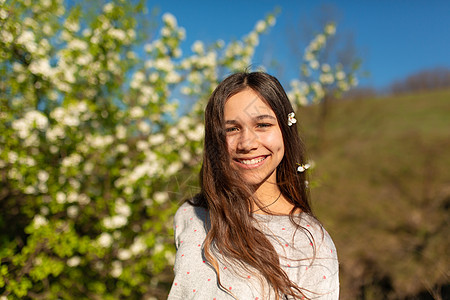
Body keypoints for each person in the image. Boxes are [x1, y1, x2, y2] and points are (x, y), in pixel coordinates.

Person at [167, 72, 338, 299]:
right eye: (232, 129)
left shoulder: (312, 243)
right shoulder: (191, 215)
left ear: (285, 132)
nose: (247, 143)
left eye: (263, 125)